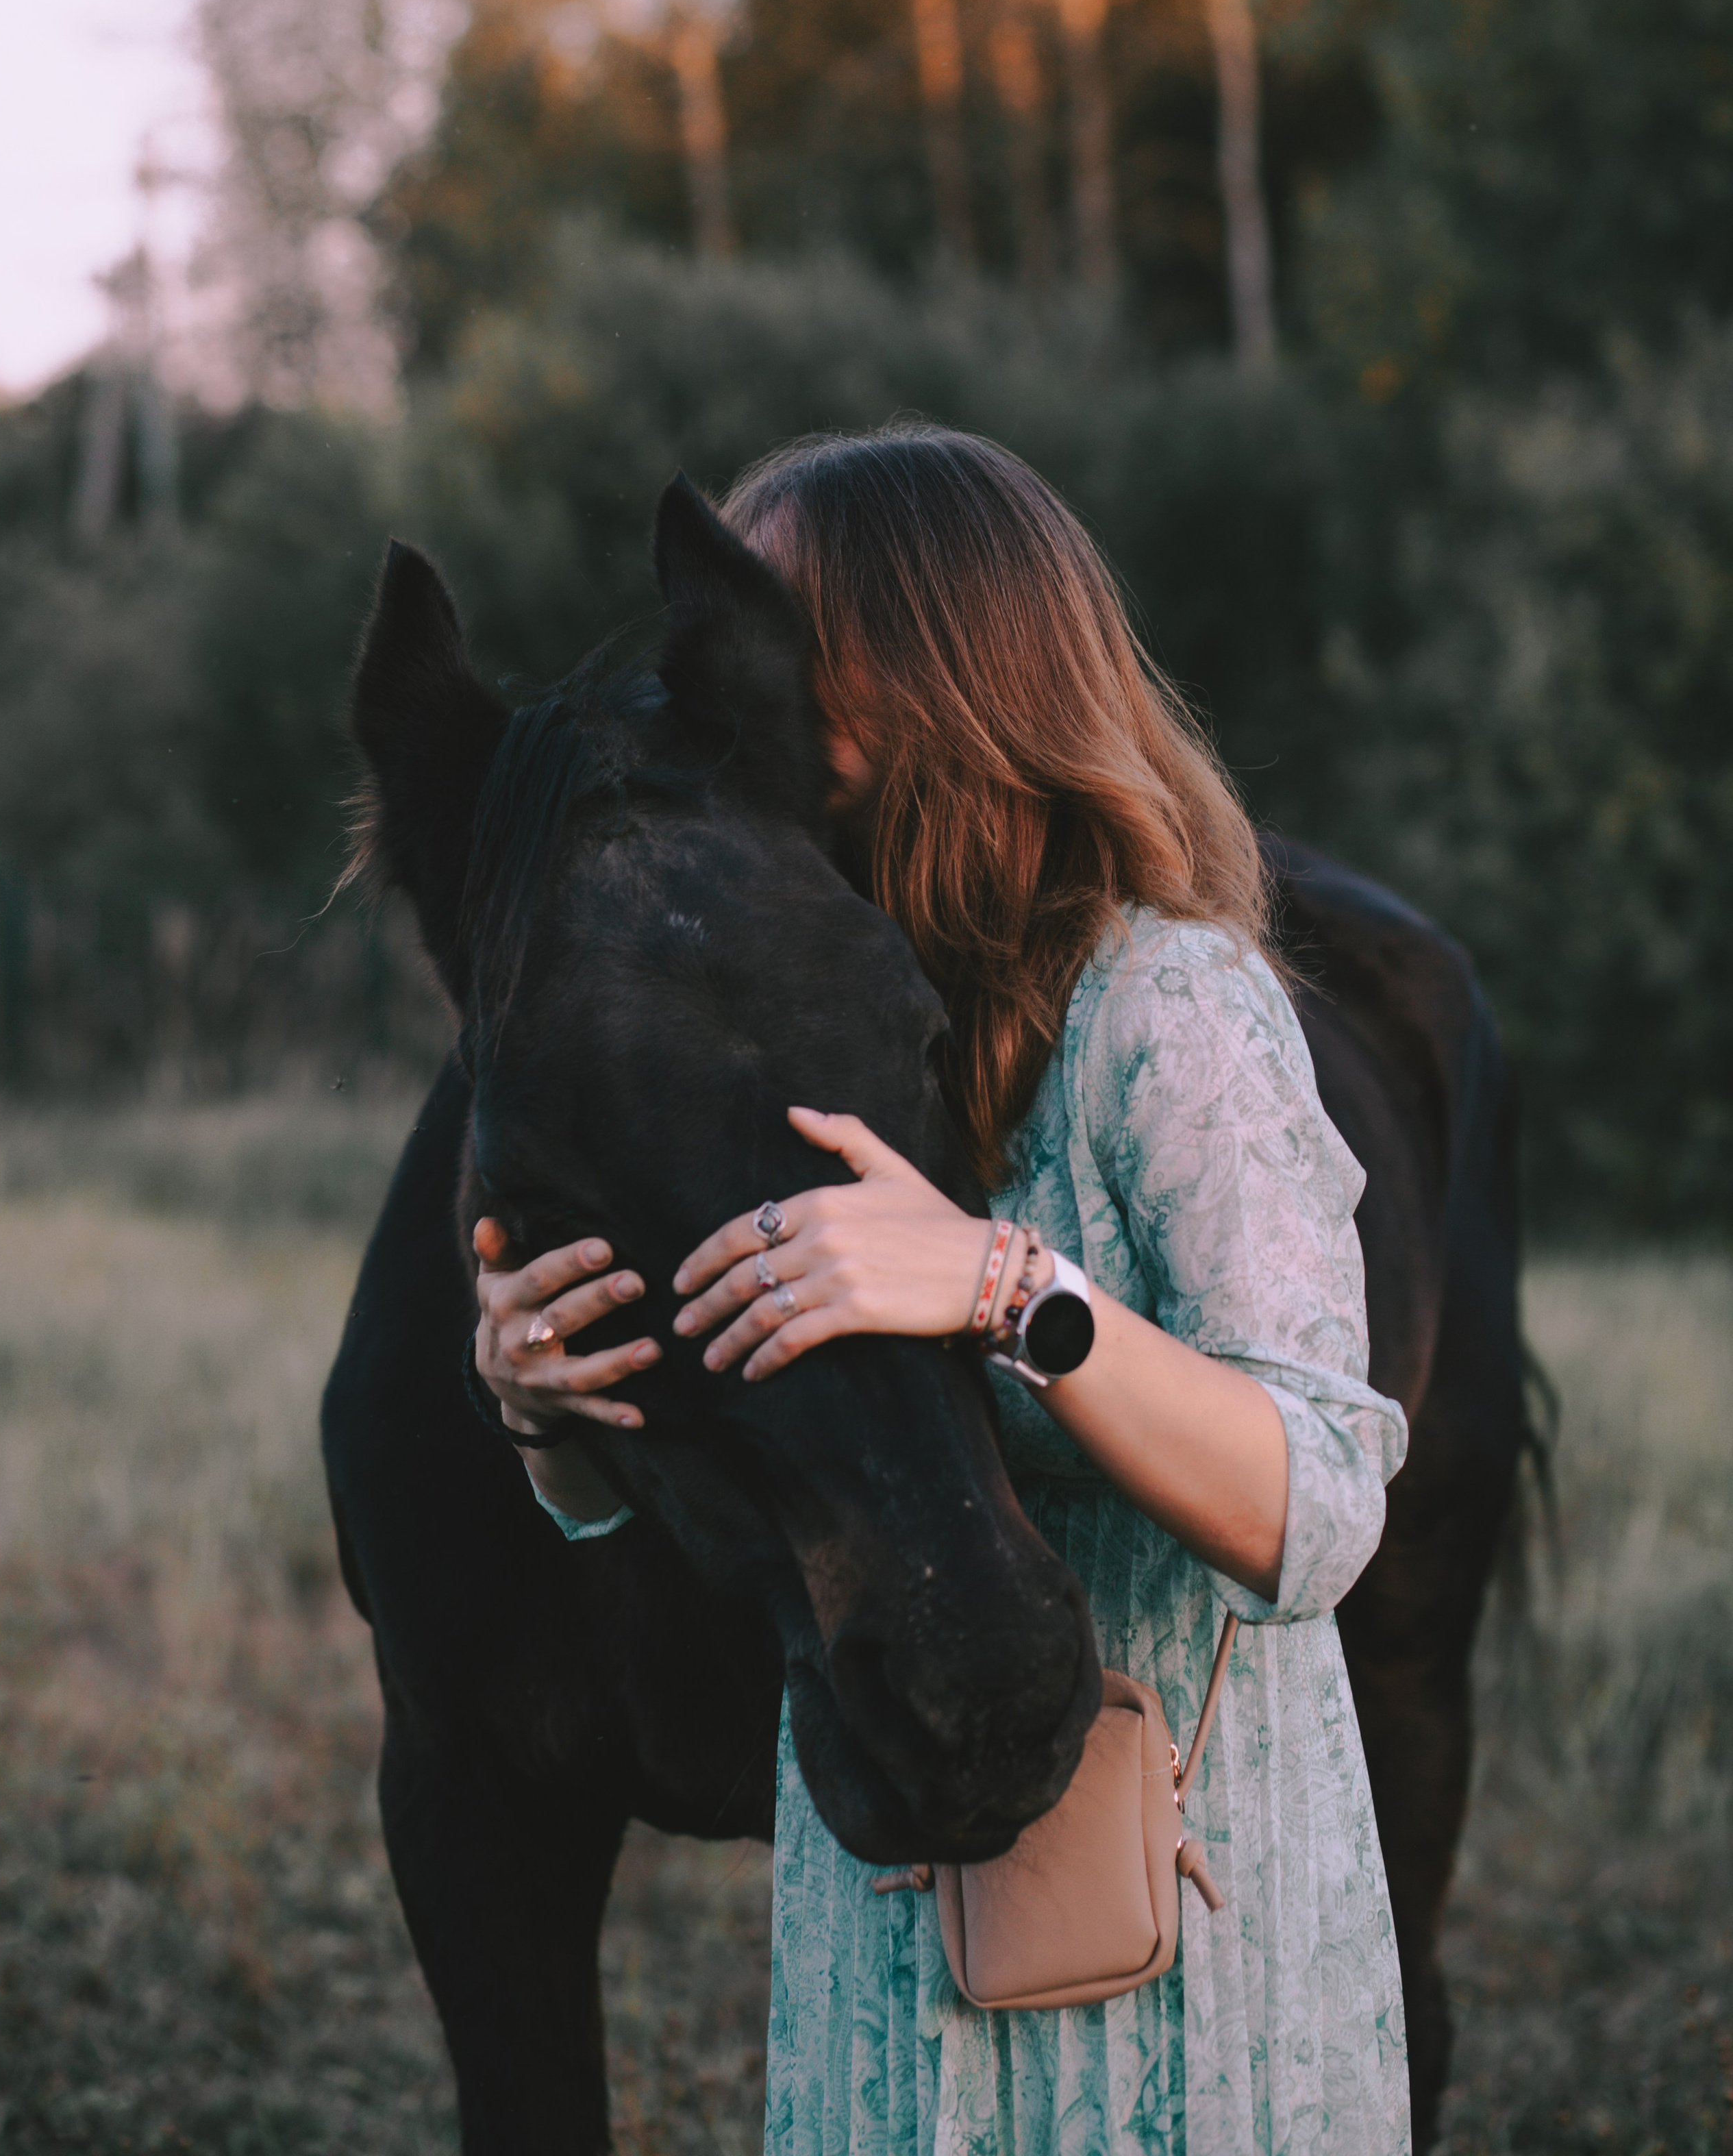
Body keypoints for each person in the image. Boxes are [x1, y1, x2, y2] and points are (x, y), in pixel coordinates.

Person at [473, 426, 1412, 2156]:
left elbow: (1322, 1507)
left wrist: (1007, 1289)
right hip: (888, 1903)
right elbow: (746, 1477)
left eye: (767, 653)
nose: (717, 706)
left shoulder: (1169, 1014)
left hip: (1175, 1944)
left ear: (942, 679)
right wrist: (554, 1418)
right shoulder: (832, 1027)